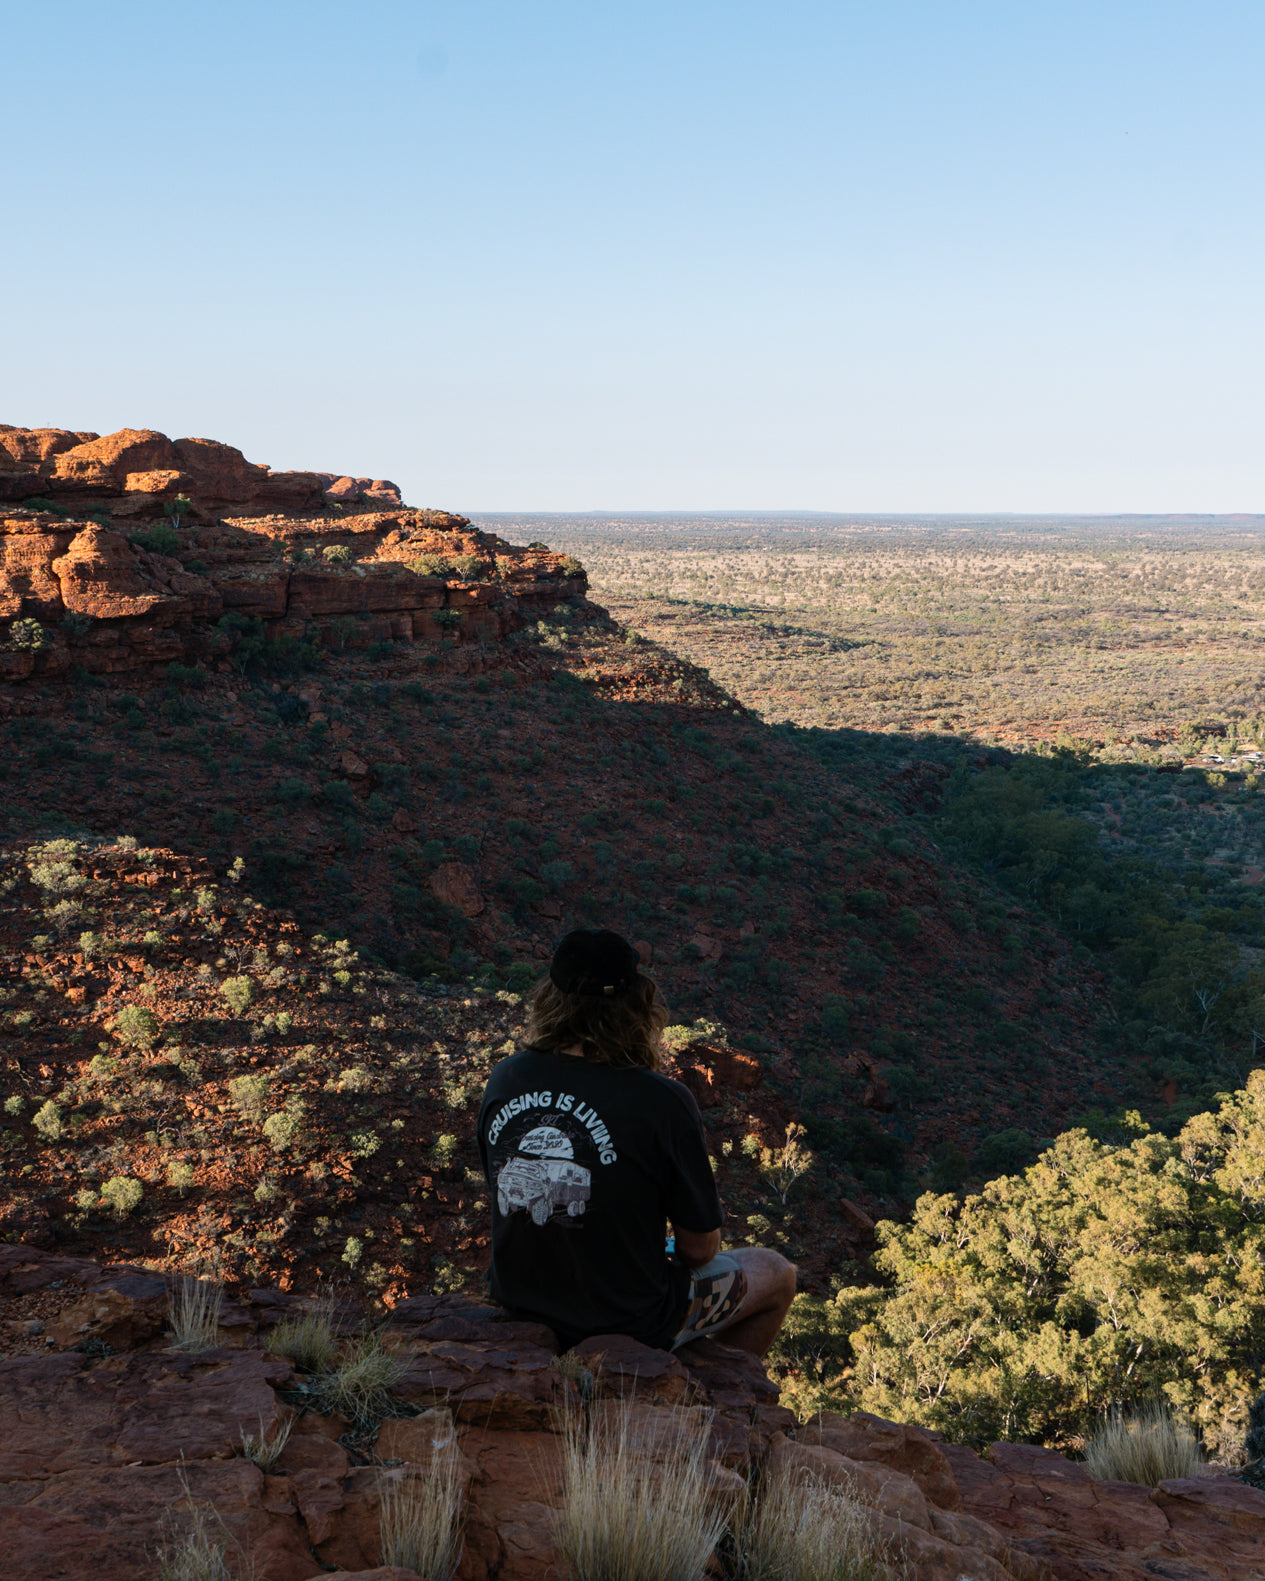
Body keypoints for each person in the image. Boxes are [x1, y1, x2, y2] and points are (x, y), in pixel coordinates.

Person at [476, 928, 796, 1355]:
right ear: (636, 1004)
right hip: (628, 1320)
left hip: (520, 1304)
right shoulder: (661, 1099)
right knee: (777, 1272)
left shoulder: (505, 1077)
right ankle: (721, 1399)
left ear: (550, 996)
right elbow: (699, 1249)